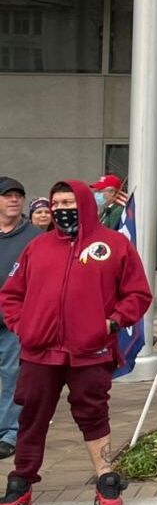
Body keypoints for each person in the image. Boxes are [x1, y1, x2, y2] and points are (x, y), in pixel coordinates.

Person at [0, 181, 152, 505]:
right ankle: (21, 481)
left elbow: (137, 294)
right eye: (55, 203)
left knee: (93, 414)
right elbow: (11, 294)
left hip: (90, 351)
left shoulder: (114, 245)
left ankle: (105, 477)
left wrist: (111, 323)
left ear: (84, 203)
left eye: (68, 201)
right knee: (32, 417)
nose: (61, 208)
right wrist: (24, 326)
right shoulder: (37, 248)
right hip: (39, 352)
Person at [0, 178, 43, 460]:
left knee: (13, 376)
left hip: (14, 321)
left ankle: (8, 433)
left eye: (18, 195)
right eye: (7, 196)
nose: (14, 200)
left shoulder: (35, 237)